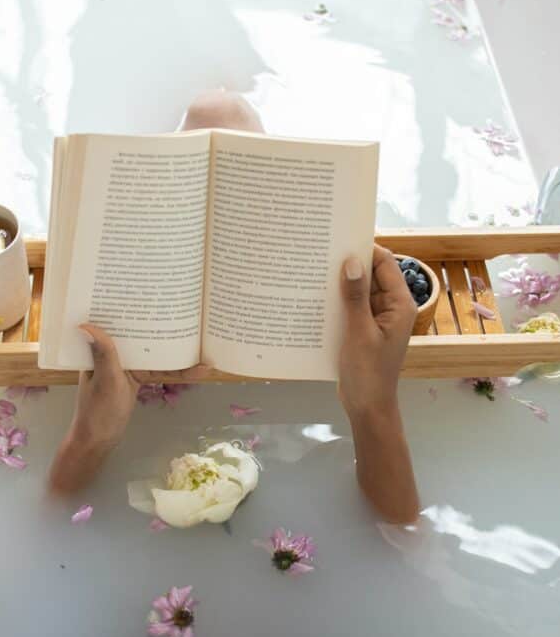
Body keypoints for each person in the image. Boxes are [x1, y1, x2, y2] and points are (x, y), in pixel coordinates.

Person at [48, 91, 420, 525]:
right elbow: (401, 530)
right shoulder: (112, 349)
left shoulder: (342, 339)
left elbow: (402, 536)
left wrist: (372, 403)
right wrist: (93, 434)